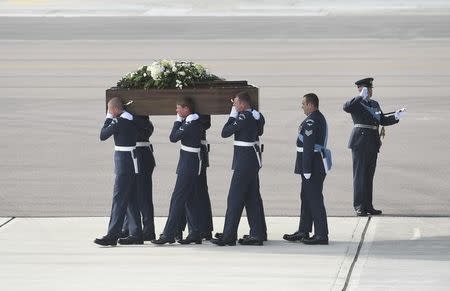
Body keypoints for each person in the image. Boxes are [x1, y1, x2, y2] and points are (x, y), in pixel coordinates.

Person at [343, 77, 405, 216]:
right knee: (359, 176)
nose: (370, 91)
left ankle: (368, 205)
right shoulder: (356, 103)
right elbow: (346, 107)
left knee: (368, 176)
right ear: (360, 89)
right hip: (360, 142)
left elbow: (381, 120)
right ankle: (359, 206)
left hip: (372, 142)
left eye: (370, 88)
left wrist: (396, 116)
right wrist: (359, 97)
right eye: (367, 89)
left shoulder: (374, 104)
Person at [211, 91, 265, 246]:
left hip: (245, 162)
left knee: (234, 198)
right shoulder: (255, 116)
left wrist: (232, 115)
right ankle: (257, 233)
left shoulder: (243, 117)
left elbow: (225, 132)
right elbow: (260, 128)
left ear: (242, 104)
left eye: (235, 103)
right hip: (251, 161)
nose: (233, 105)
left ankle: (228, 236)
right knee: (252, 198)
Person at [151, 97, 203, 245]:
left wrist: (177, 120)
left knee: (177, 199)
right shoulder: (191, 121)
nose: (177, 111)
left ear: (186, 109)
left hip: (188, 165)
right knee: (190, 199)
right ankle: (195, 233)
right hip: (189, 163)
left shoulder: (191, 123)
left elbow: (173, 137)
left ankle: (168, 234)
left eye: (178, 108)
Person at [94, 97, 143, 246]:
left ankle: (112, 235)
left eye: (110, 110)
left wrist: (109, 117)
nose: (109, 112)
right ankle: (136, 234)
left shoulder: (119, 121)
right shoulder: (131, 119)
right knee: (131, 199)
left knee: (119, 199)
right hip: (132, 161)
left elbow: (103, 135)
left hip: (124, 163)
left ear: (115, 109)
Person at [284, 93, 329, 245]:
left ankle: (321, 234)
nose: (302, 106)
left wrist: (307, 169)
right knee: (306, 197)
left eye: (303, 104)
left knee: (315, 199)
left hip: (312, 165)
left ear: (310, 104)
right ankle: (304, 230)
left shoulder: (311, 121)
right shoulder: (316, 118)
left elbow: (308, 147)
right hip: (312, 164)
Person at [120, 115, 156, 242]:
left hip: (141, 156)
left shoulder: (143, 123)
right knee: (133, 194)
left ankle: (148, 230)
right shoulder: (139, 121)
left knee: (143, 196)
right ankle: (129, 227)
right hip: (140, 155)